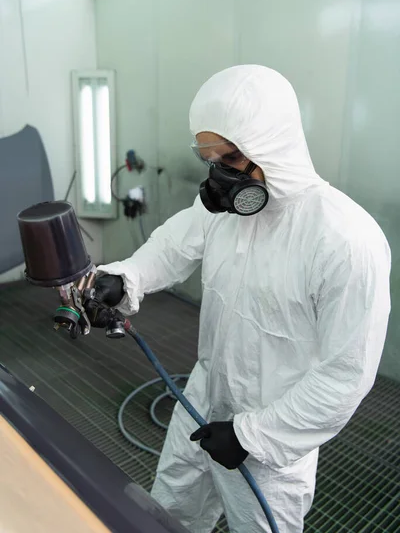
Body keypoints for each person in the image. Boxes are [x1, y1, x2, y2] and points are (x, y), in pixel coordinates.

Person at [87, 65, 391, 533]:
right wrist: (127, 278)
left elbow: (345, 374)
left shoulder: (345, 241)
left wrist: (255, 435)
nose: (219, 177)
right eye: (209, 158)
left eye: (228, 159)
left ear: (273, 146)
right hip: (204, 399)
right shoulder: (228, 210)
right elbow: (174, 245)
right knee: (168, 514)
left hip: (274, 436)